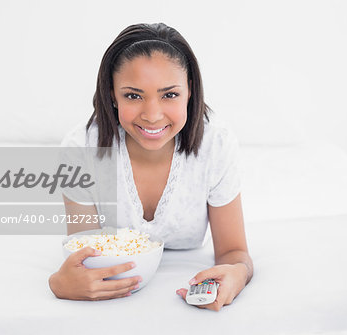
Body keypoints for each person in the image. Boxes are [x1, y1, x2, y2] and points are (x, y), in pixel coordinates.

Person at [48, 22, 253, 312]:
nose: (153, 115)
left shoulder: (215, 144)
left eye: (169, 94)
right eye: (133, 95)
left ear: (190, 91)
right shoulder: (80, 150)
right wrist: (58, 284)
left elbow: (234, 252)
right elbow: (85, 255)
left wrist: (238, 273)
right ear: (111, 95)